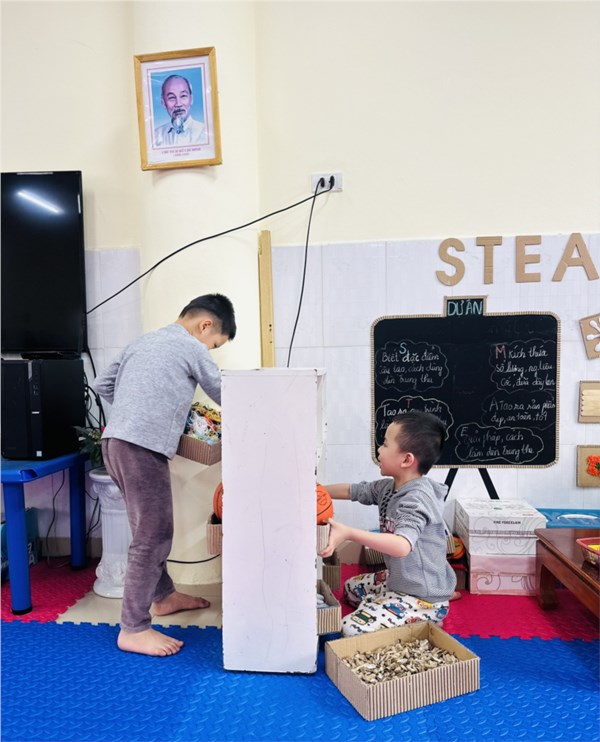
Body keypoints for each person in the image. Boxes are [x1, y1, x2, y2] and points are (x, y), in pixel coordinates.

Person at [93, 293, 236, 657]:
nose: (210, 350)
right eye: (214, 344)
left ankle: (164, 596)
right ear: (205, 326)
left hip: (115, 442)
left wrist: (136, 408)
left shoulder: (142, 342)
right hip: (140, 447)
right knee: (153, 536)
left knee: (147, 529)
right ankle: (133, 627)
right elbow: (225, 392)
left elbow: (102, 384)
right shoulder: (190, 346)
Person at [319, 410, 456, 636]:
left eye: (384, 444)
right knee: (351, 589)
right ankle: (405, 612)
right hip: (399, 580)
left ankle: (427, 615)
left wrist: (348, 533)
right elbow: (354, 490)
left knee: (350, 629)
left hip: (421, 595)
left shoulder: (416, 499)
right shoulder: (388, 487)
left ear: (406, 460)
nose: (379, 450)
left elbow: (402, 546)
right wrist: (317, 490)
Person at [153, 74, 206, 147]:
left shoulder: (204, 132)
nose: (178, 104)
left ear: (191, 99)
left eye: (183, 96)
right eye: (172, 97)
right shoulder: (155, 136)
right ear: (163, 103)